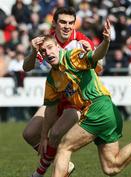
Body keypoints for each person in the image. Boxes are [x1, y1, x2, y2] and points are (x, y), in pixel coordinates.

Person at [37, 20, 131, 177]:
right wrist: (43, 136)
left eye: (49, 48)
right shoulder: (52, 78)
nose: (48, 53)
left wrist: (106, 41)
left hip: (98, 107)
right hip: (107, 112)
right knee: (111, 167)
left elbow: (96, 55)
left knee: (64, 147)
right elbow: (51, 108)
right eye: (43, 51)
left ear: (57, 46)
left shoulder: (72, 56)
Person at [22, 7, 99, 177]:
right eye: (63, 22)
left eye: (71, 23)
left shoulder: (82, 41)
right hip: (57, 95)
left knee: (55, 134)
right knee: (29, 134)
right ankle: (64, 164)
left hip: (76, 100)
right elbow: (26, 67)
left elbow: (98, 69)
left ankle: (42, 172)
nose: (67, 26)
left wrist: (90, 53)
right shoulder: (46, 41)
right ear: (54, 23)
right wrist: (33, 51)